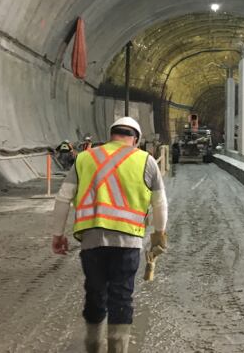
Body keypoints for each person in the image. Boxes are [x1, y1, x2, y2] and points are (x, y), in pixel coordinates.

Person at [50, 117, 168, 353]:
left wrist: (58, 234)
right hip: (129, 241)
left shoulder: (85, 158)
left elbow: (63, 198)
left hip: (92, 241)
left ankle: (93, 345)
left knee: (95, 291)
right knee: (121, 295)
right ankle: (118, 348)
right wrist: (158, 236)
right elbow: (160, 204)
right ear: (135, 139)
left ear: (112, 135)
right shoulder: (145, 160)